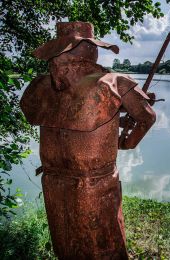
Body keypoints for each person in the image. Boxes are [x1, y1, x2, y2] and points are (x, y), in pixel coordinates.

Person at [20, 21, 156, 259]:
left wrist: (118, 118)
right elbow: (146, 118)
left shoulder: (40, 86)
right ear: (89, 49)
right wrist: (125, 142)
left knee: (66, 243)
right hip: (93, 185)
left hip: (53, 181)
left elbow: (66, 117)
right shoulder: (114, 82)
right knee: (101, 246)